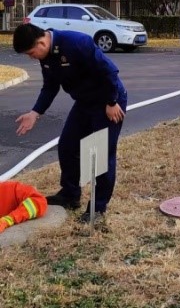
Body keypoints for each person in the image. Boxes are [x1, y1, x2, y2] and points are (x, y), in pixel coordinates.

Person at [13, 23, 128, 226]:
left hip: (108, 102)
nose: (32, 58)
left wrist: (111, 102)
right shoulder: (46, 57)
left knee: (101, 154)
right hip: (84, 102)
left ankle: (98, 208)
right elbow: (50, 86)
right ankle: (70, 195)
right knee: (67, 146)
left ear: (41, 43)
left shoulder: (77, 43)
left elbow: (109, 71)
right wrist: (35, 113)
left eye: (31, 53)